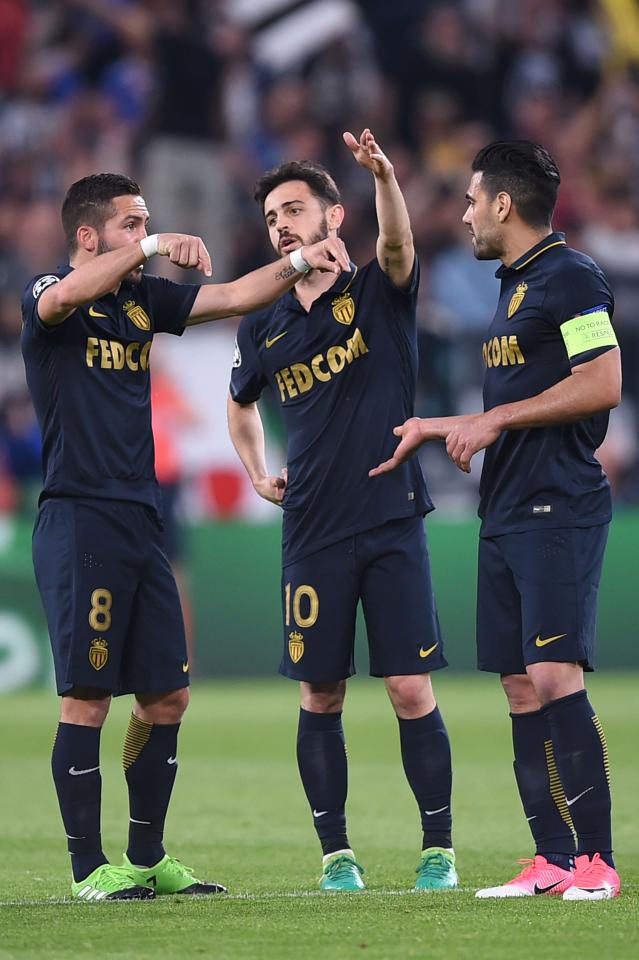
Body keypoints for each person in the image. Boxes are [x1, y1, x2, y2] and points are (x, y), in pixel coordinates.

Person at [21, 172, 349, 902]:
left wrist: (302, 260)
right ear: (88, 235)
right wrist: (159, 245)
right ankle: (86, 870)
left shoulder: (141, 300)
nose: (143, 235)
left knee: (166, 696)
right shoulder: (50, 292)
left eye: (146, 224)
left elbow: (234, 295)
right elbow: (62, 300)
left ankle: (146, 857)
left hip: (142, 521)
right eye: (131, 224)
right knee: (87, 698)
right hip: (80, 518)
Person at [371, 140, 622, 901]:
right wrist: (437, 424)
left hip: (557, 504)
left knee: (551, 674)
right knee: (518, 686)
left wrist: (493, 419)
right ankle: (549, 859)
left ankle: (597, 863)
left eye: (473, 199)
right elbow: (513, 409)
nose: (465, 212)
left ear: (504, 205)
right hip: (506, 507)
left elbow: (602, 383)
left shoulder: (571, 276)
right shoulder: (514, 285)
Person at [227, 131, 458, 892]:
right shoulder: (261, 323)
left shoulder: (377, 290)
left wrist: (386, 176)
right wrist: (257, 471)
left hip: (391, 518)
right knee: (319, 692)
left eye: (294, 210)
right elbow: (239, 405)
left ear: (333, 218)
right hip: (312, 531)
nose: (281, 225)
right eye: (271, 217)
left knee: (408, 688)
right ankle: (336, 856)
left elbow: (397, 240)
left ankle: (438, 851)